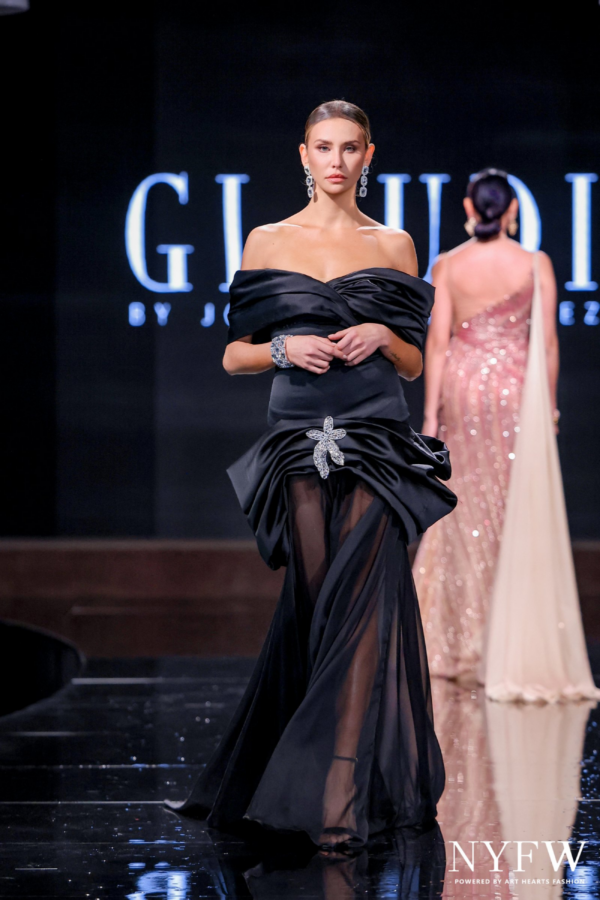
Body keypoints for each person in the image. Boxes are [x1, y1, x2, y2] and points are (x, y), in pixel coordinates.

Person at [165, 100, 456, 851]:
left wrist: (384, 333)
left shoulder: (393, 243)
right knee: (319, 606)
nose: (336, 160)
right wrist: (288, 350)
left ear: (369, 157)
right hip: (298, 439)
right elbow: (235, 355)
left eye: (349, 148)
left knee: (362, 613)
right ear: (303, 153)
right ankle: (295, 775)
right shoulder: (267, 239)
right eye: (324, 147)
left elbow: (415, 362)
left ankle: (334, 794)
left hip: (375, 438)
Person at [413, 168, 600, 703]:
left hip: (463, 391)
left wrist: (430, 417)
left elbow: (439, 344)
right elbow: (547, 344)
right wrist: (548, 409)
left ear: (471, 211)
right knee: (512, 513)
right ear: (513, 211)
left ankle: (452, 644)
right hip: (515, 396)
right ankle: (505, 640)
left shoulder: (449, 265)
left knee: (464, 509)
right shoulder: (534, 264)